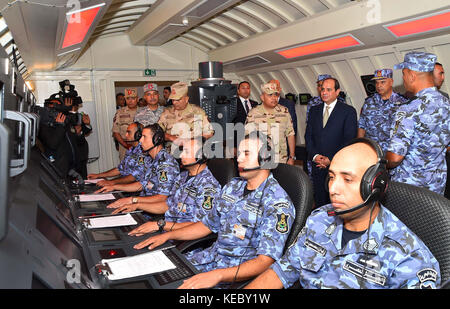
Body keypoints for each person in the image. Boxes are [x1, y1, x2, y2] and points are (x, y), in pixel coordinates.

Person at [246, 138, 440, 289]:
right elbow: (281, 272)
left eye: (347, 179)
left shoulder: (409, 258)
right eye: (331, 177)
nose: (333, 189)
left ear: (374, 186)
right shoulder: (319, 219)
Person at [134, 132, 295, 289]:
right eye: (238, 153)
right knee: (153, 274)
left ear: (265, 158)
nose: (238, 158)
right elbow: (206, 226)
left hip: (234, 274)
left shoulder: (278, 203)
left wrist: (218, 275)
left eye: (246, 153)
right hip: (209, 258)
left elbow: (265, 261)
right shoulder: (233, 186)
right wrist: (167, 235)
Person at [112, 137, 221, 235]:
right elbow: (168, 205)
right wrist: (137, 205)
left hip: (184, 243)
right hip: (165, 231)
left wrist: (160, 225)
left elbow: (199, 226)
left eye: (187, 152)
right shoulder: (182, 177)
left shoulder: (209, 187)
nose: (181, 155)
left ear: (201, 156)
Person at [387, 52, 450, 195]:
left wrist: (382, 162)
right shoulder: (446, 103)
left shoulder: (408, 109)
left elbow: (395, 158)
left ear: (412, 76)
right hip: (436, 185)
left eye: (403, 74)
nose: (403, 79)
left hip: (408, 187)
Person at [99, 124, 180, 216]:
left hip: (155, 214)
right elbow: (142, 184)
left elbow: (162, 198)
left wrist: (132, 200)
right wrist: (115, 187)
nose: (140, 140)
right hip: (143, 207)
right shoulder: (151, 159)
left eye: (144, 137)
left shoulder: (166, 164)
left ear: (156, 139)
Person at [305, 77, 357, 207]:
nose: (324, 92)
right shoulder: (314, 110)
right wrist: (315, 156)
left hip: (337, 168)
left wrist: (331, 159)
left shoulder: (348, 111)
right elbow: (308, 137)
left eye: (328, 89)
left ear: (337, 91)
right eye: (322, 89)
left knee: (336, 204)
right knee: (320, 202)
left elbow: (349, 140)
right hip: (317, 166)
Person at [357, 69, 408, 153]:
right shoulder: (369, 102)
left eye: (383, 82)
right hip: (371, 150)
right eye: (377, 83)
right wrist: (360, 147)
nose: (379, 85)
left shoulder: (402, 103)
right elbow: (362, 126)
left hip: (392, 151)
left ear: (391, 82)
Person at [245, 82, 296, 165]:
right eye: (270, 95)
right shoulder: (254, 113)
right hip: (261, 160)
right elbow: (248, 138)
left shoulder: (284, 111)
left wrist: (292, 157)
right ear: (262, 97)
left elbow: (290, 134)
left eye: (276, 95)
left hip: (281, 160)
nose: (274, 98)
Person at [158, 82, 214, 154]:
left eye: (178, 100)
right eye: (173, 100)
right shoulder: (166, 113)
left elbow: (209, 132)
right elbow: (157, 132)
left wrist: (192, 142)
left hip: (194, 154)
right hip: (172, 155)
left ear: (186, 99)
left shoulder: (198, 112)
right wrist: (170, 137)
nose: (174, 103)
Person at [88, 122, 150, 187]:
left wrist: (111, 182)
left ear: (138, 135)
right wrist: (98, 175)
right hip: (125, 185)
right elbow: (120, 169)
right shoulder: (131, 150)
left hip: (134, 188)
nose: (126, 135)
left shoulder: (143, 151)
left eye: (129, 132)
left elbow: (134, 177)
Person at [112, 88, 139, 161]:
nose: (130, 101)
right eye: (128, 98)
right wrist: (126, 145)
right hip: (125, 148)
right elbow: (115, 132)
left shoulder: (144, 112)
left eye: (133, 98)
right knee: (125, 170)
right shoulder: (120, 112)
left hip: (141, 148)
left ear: (137, 99)